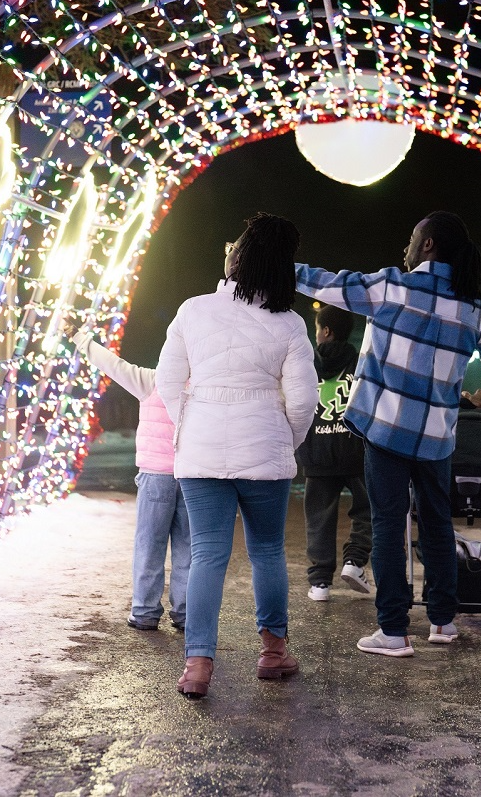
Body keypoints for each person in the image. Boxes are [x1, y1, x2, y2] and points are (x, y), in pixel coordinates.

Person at [294, 211, 481, 658]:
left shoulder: (393, 287)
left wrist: (277, 265)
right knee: (437, 526)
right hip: (437, 439)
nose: (406, 247)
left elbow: (327, 284)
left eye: (413, 238)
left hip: (385, 433)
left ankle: (394, 632)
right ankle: (442, 622)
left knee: (388, 526)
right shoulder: (476, 309)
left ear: (429, 244)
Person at [156, 213, 319, 699]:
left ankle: (198, 665)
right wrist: (282, 440)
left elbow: (167, 381)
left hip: (202, 449)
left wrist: (192, 421)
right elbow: (304, 399)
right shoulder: (290, 324)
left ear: (238, 259)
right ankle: (272, 651)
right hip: (265, 448)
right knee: (267, 550)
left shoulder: (193, 310)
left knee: (208, 553)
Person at [72, 326, 188, 633]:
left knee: (149, 544)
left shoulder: (150, 380)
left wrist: (82, 340)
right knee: (188, 548)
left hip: (154, 476)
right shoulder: (201, 385)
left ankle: (145, 612)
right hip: (192, 476)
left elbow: (112, 363)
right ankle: (186, 612)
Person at [297, 304, 373, 602]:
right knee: (369, 508)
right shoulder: (361, 362)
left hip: (317, 451)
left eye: (317, 329)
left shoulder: (306, 364)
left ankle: (320, 584)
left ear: (326, 331)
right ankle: (355, 562)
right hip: (355, 450)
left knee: (319, 517)